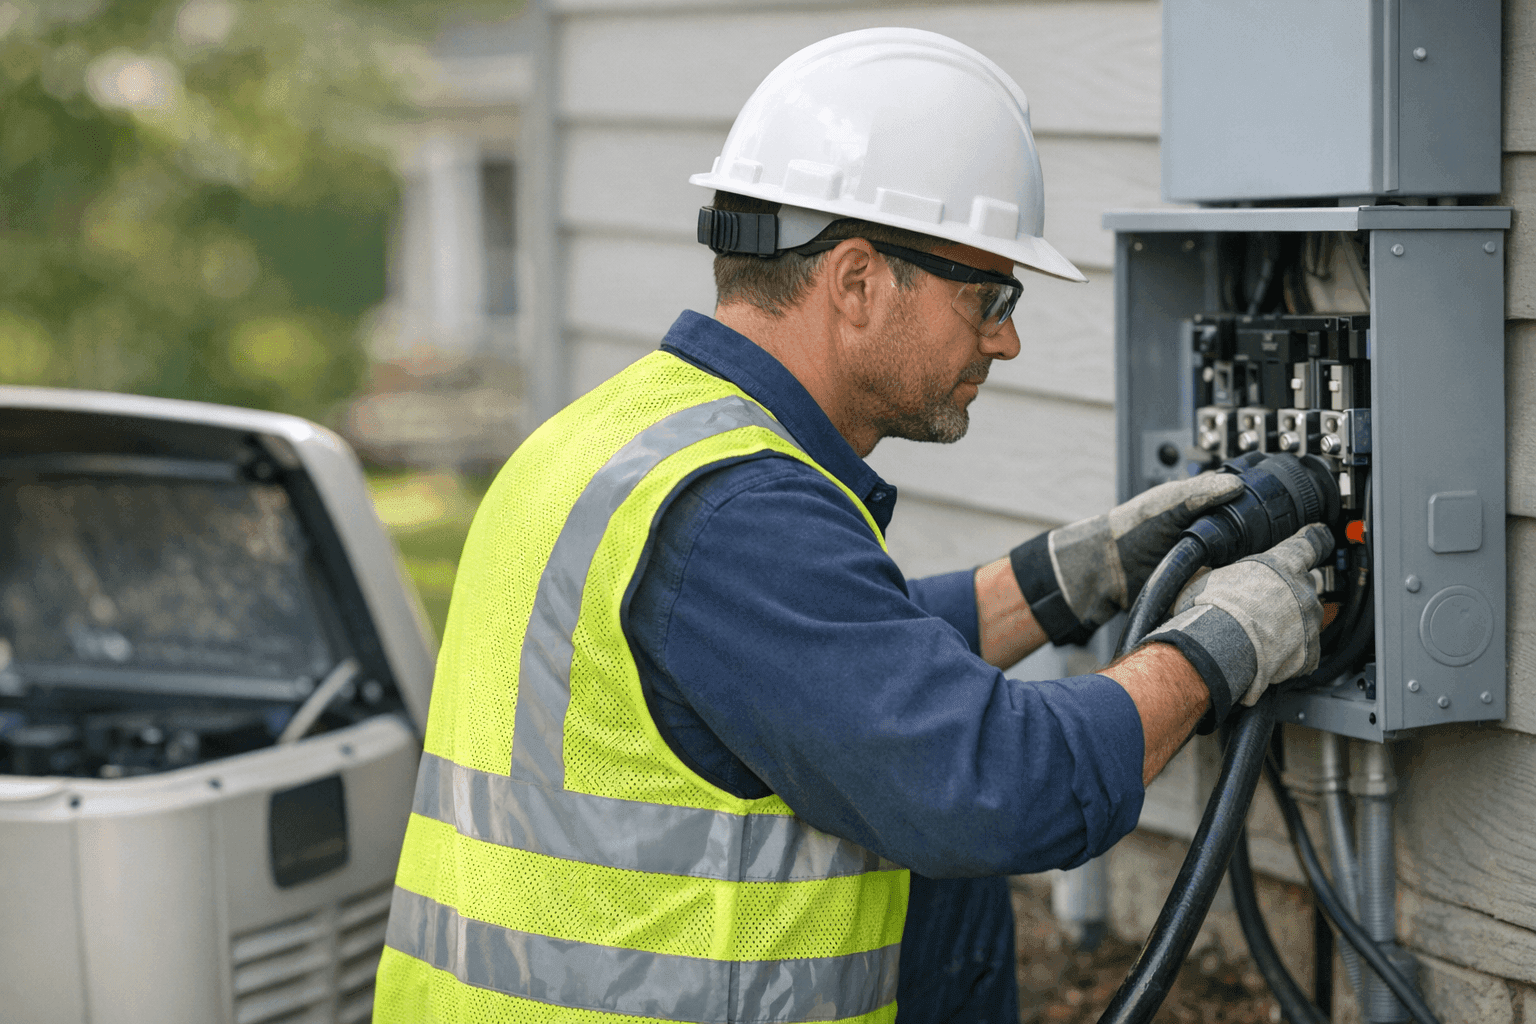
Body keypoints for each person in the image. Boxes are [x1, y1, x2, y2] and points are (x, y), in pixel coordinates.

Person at [373, 28, 1330, 1023]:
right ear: (859, 280)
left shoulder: (615, 439)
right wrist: (1225, 643)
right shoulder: (738, 514)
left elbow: (826, 662)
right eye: (988, 296)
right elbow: (997, 785)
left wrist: (1070, 576)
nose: (1007, 337)